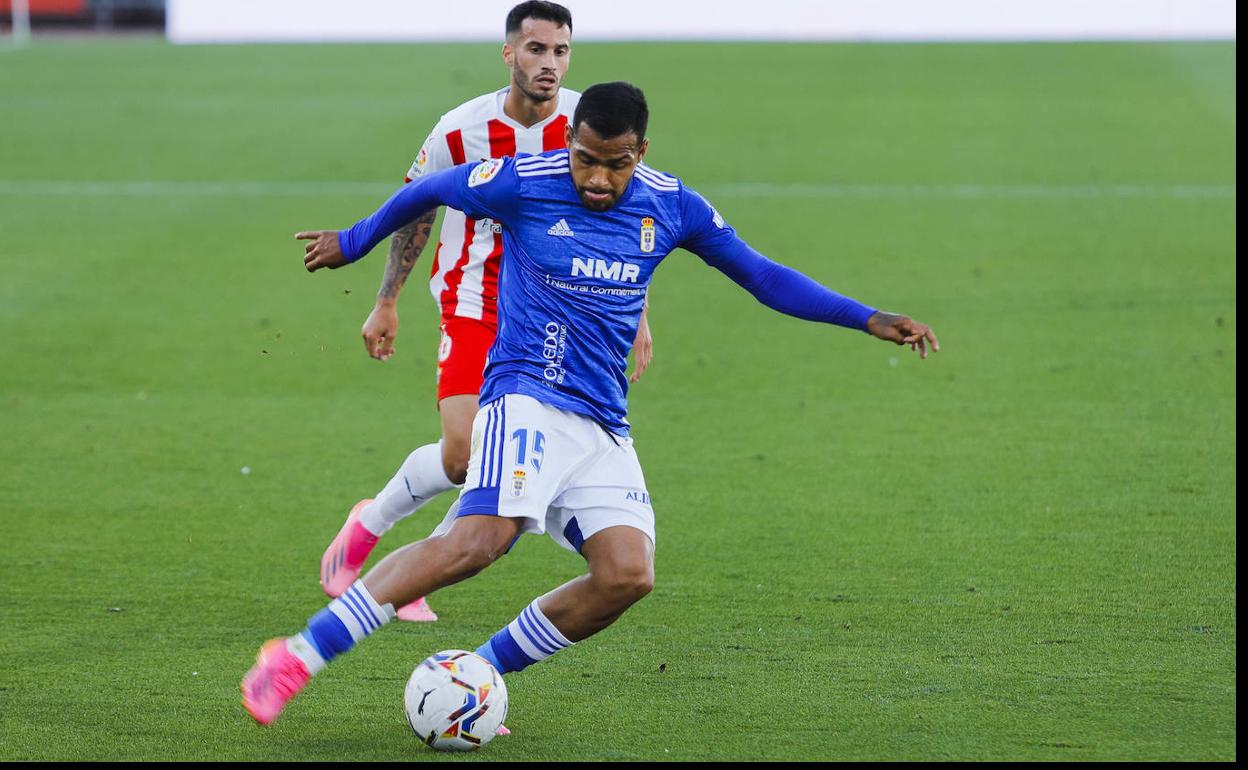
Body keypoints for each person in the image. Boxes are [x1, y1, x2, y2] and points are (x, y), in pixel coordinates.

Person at [243, 81, 938, 726]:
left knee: (626, 576)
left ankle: (478, 674)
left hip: (603, 421)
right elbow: (428, 189)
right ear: (567, 141)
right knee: (478, 543)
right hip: (525, 395)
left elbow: (761, 275)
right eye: (585, 160)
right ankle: (297, 656)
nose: (598, 180)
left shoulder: (672, 204)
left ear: (641, 154)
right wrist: (355, 242)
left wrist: (866, 317)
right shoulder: (523, 182)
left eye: (616, 164)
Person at [318, 1, 655, 623]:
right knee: (462, 453)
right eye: (535, 49)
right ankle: (374, 525)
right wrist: (385, 299)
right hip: (475, 300)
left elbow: (632, 218)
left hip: (561, 308)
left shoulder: (591, 127)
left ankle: (413, 553)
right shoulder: (458, 130)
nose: (549, 63)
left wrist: (634, 313)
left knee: (469, 460)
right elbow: (415, 207)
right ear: (509, 54)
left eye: (560, 51)